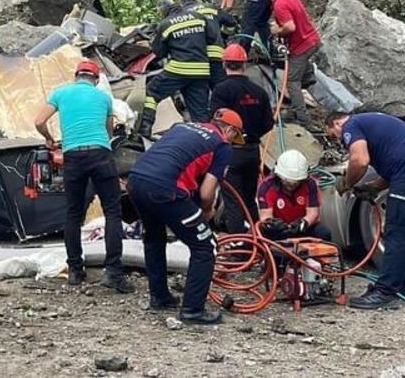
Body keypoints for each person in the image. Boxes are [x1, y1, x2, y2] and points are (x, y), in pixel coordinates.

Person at [127, 109, 244, 324]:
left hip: (136, 180)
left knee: (154, 238)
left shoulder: (182, 127)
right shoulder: (222, 145)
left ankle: (160, 297)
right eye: (235, 136)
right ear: (229, 130)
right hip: (165, 187)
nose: (234, 142)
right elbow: (207, 192)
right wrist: (206, 211)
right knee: (204, 246)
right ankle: (193, 310)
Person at [326, 111, 405, 310]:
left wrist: (346, 183)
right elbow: (396, 167)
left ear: (337, 123)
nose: (338, 140)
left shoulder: (351, 125)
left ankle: (385, 292)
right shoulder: (377, 124)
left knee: (396, 233)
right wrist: (373, 187)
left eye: (332, 135)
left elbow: (359, 161)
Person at [34, 60, 135, 293]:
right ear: (96, 79)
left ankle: (75, 271)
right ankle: (113, 272)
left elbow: (39, 121)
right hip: (100, 154)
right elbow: (109, 132)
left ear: (75, 76)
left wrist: (49, 139)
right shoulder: (103, 98)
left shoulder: (60, 93)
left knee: (73, 213)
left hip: (72, 157)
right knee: (112, 211)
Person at [208, 44, 274, 233]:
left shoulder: (221, 90)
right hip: (252, 152)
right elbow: (268, 123)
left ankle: (240, 249)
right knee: (249, 200)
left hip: (231, 153)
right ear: (244, 65)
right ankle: (259, 240)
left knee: (233, 203)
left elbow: (215, 121)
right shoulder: (258, 91)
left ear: (224, 64)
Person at [137, 0, 213, 139]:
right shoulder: (199, 17)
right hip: (201, 70)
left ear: (164, 10)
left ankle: (144, 130)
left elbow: (159, 52)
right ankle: (206, 141)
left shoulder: (165, 24)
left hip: (179, 69)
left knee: (152, 91)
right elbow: (212, 38)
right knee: (200, 112)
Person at [255, 0, 321, 129]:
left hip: (301, 46)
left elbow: (290, 27)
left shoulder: (279, 5)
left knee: (292, 81)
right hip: (312, 40)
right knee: (301, 76)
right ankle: (305, 85)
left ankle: (303, 120)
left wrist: (276, 31)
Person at [256, 149, 332, 241]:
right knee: (259, 234)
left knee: (323, 233)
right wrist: (273, 224)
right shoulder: (266, 187)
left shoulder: (310, 184)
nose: (291, 185)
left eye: (296, 182)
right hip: (278, 230)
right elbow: (265, 217)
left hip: (302, 228)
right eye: (288, 181)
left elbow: (313, 213)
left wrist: (303, 223)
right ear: (279, 176)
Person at [181, 0, 232, 87]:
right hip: (216, 56)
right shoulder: (210, 7)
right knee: (221, 88)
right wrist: (224, 35)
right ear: (196, 1)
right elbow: (231, 22)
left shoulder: (181, 15)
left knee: (200, 93)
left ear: (182, 4)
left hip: (195, 59)